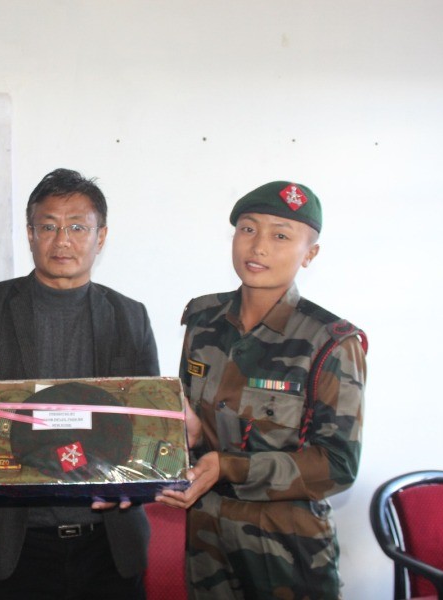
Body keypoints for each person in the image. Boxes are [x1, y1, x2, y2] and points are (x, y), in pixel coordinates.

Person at [0, 168, 159, 599]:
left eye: (78, 227)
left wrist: (137, 482)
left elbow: (149, 426)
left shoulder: (130, 316)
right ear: (30, 233)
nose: (63, 241)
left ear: (101, 236)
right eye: (49, 227)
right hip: (15, 545)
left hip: (109, 543)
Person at [158, 181, 367, 599]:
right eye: (248, 229)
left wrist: (228, 466)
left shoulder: (328, 341)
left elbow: (338, 465)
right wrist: (188, 435)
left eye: (281, 235)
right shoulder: (203, 319)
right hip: (207, 542)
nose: (259, 247)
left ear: (310, 254)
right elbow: (189, 419)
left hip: (287, 551)